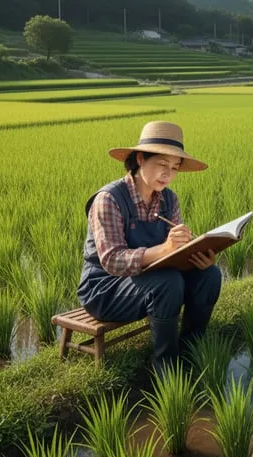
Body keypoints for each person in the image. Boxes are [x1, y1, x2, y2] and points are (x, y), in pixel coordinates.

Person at [78, 121, 222, 370]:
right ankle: (165, 367)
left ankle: (191, 351)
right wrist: (164, 249)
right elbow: (111, 259)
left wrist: (196, 255)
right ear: (141, 159)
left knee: (209, 274)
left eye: (175, 168)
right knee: (168, 283)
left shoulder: (168, 198)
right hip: (105, 289)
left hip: (149, 278)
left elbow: (174, 252)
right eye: (162, 165)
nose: (169, 174)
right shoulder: (109, 199)